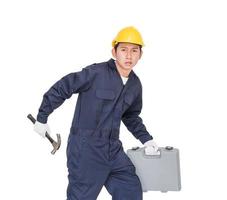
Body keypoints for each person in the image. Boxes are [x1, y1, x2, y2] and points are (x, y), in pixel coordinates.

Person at [33, 26, 159, 200]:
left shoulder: (135, 85)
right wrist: (42, 117)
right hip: (86, 149)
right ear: (114, 52)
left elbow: (131, 116)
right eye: (123, 50)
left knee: (130, 189)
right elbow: (64, 87)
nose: (129, 56)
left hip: (113, 149)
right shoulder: (96, 73)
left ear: (140, 55)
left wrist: (147, 139)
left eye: (134, 50)